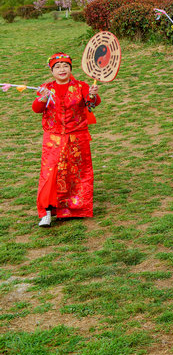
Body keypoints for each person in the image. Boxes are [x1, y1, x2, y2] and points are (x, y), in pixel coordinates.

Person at [33, 53, 101, 227]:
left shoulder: (81, 86)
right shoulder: (46, 87)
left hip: (77, 137)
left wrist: (92, 95)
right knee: (50, 174)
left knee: (76, 173)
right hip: (53, 139)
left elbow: (91, 104)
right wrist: (42, 97)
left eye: (65, 66)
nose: (62, 70)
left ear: (71, 69)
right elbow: (37, 108)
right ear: (52, 71)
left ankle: (73, 209)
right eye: (57, 67)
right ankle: (46, 212)